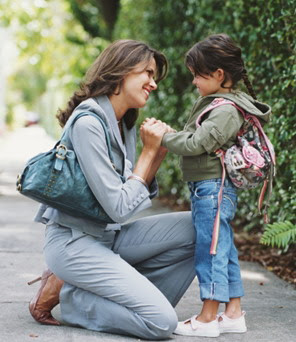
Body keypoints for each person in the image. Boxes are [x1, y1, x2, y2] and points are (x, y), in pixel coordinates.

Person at [28, 39, 196, 340]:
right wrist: (147, 154)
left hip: (108, 236)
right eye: (147, 73)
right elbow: (118, 206)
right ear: (122, 71)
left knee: (200, 227)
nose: (153, 84)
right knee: (161, 323)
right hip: (73, 244)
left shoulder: (123, 123)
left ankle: (119, 296)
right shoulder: (88, 123)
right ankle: (71, 297)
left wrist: (155, 156)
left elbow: (128, 204)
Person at [155, 33, 272, 337]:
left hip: (212, 187)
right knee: (224, 248)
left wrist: (163, 138)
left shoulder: (225, 110)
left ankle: (208, 318)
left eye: (197, 75)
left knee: (210, 250)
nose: (193, 81)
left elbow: (198, 142)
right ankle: (232, 313)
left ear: (219, 75)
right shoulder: (223, 104)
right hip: (210, 187)